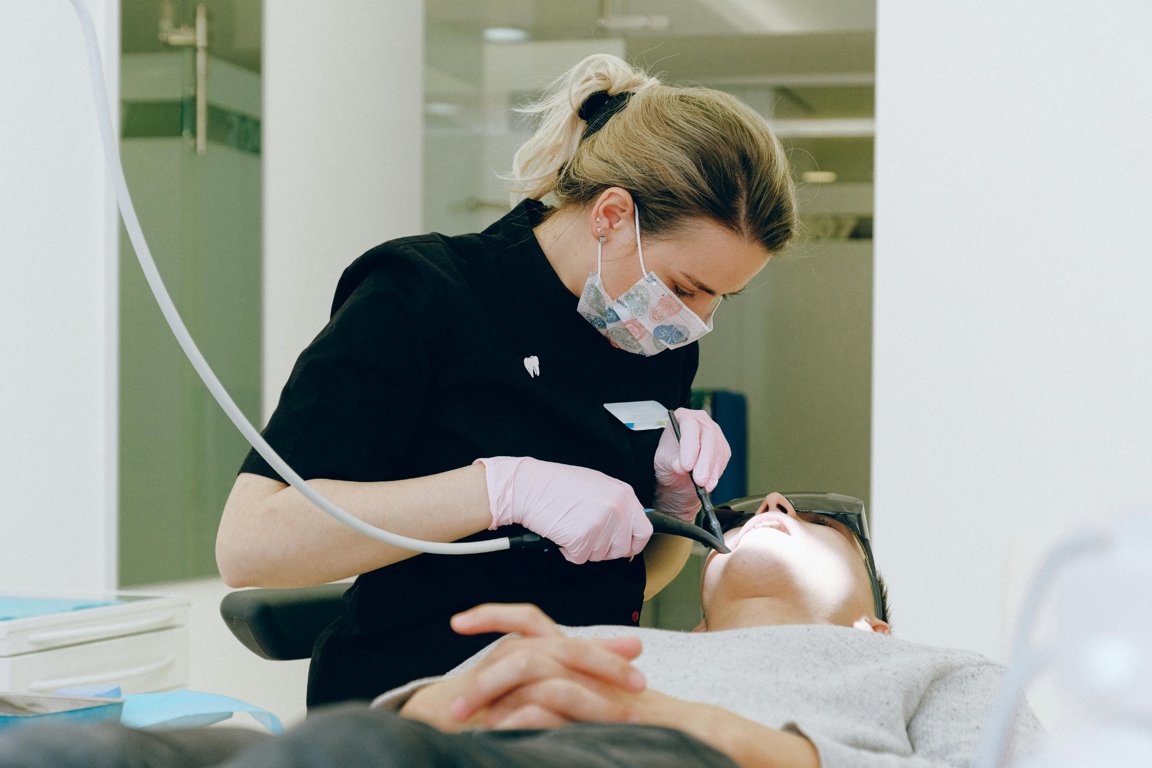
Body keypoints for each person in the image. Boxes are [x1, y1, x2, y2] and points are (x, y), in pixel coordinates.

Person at [214, 52, 799, 707]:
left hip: (571, 707)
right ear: (611, 215)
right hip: (410, 711)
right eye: (687, 287)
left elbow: (629, 580)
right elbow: (251, 544)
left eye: (723, 297)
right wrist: (499, 490)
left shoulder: (654, 342)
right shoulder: (422, 296)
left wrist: (671, 509)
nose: (697, 321)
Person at [0, 493, 1042, 768]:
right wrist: (446, 698)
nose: (767, 507)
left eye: (807, 517)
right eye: (754, 511)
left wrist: (724, 737)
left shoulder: (936, 669)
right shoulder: (615, 641)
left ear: (873, 618)